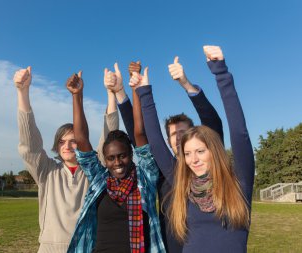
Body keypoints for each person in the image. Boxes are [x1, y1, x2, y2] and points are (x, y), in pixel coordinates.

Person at [136, 45, 255, 252]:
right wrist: (144, 93)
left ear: (214, 151)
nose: (193, 159)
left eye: (200, 151)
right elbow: (156, 143)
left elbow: (240, 133)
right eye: (187, 154)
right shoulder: (184, 183)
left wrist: (221, 72)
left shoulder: (238, 182)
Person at [107, 58, 223, 252]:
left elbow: (213, 124)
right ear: (168, 142)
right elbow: (140, 135)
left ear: (194, 134)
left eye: (183, 133)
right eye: (173, 135)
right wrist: (122, 93)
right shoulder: (163, 168)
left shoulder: (207, 165)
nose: (178, 138)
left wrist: (187, 85)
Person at [13, 67, 119, 252]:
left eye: (73, 141)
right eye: (62, 142)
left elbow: (108, 138)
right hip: (50, 247)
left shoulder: (94, 171)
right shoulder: (46, 170)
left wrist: (111, 94)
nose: (67, 146)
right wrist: (22, 92)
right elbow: (29, 143)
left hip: (87, 246)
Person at [66, 68, 166, 253]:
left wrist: (136, 89)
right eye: (111, 158)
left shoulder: (145, 178)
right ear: (105, 159)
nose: (117, 162)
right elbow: (81, 140)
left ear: (131, 153)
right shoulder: (100, 180)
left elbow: (139, 133)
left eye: (122, 155)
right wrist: (77, 95)